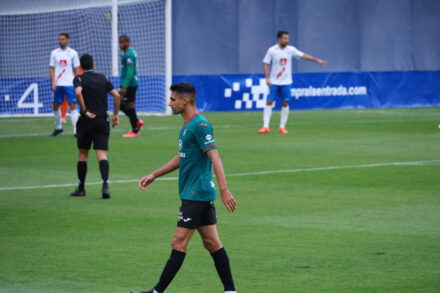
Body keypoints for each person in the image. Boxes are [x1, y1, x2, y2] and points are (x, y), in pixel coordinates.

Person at [131, 82, 237, 293]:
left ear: (185, 100)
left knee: (178, 242)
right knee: (212, 243)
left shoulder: (200, 125)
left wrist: (225, 190)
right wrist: (154, 175)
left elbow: (215, 156)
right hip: (196, 194)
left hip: (196, 194)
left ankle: (156, 292)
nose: (170, 104)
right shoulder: (187, 127)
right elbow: (182, 158)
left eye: (172, 99)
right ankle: (230, 291)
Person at [70, 54, 121, 199]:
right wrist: (116, 114)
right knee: (102, 154)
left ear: (80, 66)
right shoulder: (103, 78)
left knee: (83, 154)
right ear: (94, 65)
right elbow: (117, 96)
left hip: (86, 121)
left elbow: (78, 92)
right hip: (102, 120)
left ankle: (81, 188)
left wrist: (84, 110)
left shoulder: (79, 78)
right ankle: (105, 185)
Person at [259, 31, 327, 134]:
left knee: (285, 103)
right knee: (269, 102)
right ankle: (265, 126)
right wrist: (267, 78)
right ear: (279, 39)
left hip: (286, 82)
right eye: (285, 38)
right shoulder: (272, 50)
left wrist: (317, 60)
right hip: (274, 82)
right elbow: (266, 63)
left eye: (287, 38)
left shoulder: (291, 50)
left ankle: (282, 127)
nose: (287, 40)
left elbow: (304, 55)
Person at [49, 32, 81, 136]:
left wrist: (77, 82)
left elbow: (76, 69)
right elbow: (52, 68)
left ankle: (76, 130)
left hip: (69, 83)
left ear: (67, 40)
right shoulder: (54, 53)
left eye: (62, 39)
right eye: (59, 39)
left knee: (72, 104)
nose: (60, 41)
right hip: (58, 83)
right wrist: (53, 81)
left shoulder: (73, 53)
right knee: (55, 105)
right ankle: (58, 127)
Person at [119, 35, 144, 138]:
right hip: (129, 83)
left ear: (127, 42)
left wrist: (124, 86)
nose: (120, 45)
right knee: (125, 105)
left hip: (130, 84)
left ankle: (135, 130)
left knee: (124, 105)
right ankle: (137, 122)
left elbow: (130, 72)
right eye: (119, 43)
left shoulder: (129, 54)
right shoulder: (128, 52)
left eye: (122, 43)